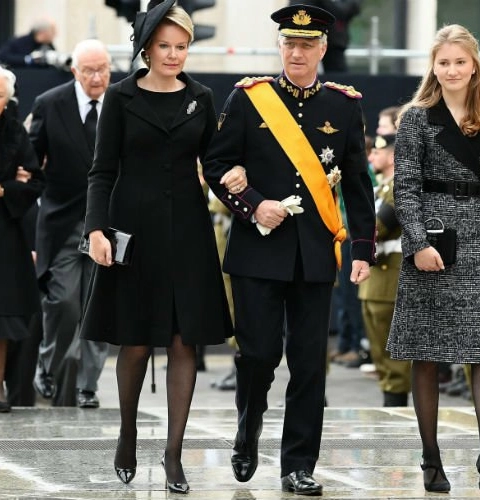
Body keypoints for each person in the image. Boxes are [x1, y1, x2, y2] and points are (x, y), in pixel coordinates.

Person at [202, 4, 375, 495]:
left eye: (307, 45)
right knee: (258, 355)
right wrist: (254, 205)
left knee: (308, 364)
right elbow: (217, 164)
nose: (297, 52)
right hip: (258, 251)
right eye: (289, 44)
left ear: (323, 48)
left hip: (316, 253)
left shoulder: (343, 105)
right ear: (280, 47)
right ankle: (248, 426)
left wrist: (362, 246)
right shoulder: (250, 97)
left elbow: (358, 182)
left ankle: (298, 463)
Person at [81, 0, 232, 492]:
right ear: (146, 48)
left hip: (188, 230)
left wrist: (243, 188)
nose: (173, 55)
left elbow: (216, 162)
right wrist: (96, 230)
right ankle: (127, 432)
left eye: (182, 47)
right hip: (135, 229)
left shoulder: (203, 97)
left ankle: (173, 455)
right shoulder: (122, 98)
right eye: (164, 46)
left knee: (184, 339)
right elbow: (102, 172)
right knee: (137, 338)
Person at [386, 24, 480, 493]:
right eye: (444, 62)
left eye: (460, 61)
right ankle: (431, 461)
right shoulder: (416, 118)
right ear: (433, 66)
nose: (452, 69)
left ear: (474, 64)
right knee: (427, 353)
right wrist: (418, 244)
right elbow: (404, 188)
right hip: (436, 240)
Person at [28, 39, 112, 408]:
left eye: (104, 69)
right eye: (90, 70)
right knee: (63, 303)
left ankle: (88, 386)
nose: (97, 78)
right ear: (75, 71)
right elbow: (31, 162)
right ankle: (48, 365)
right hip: (62, 221)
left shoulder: (124, 103)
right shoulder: (50, 103)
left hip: (108, 223)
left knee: (98, 306)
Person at [0, 67, 46, 413]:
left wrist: (5, 188)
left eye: (1, 95)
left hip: (6, 231)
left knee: (6, 316)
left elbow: (33, 180)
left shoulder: (15, 130)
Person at [357, 133, 411, 406]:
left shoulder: (399, 187)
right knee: (381, 354)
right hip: (375, 279)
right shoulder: (380, 187)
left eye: (376, 153)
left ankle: (396, 406)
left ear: (391, 157)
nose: (371, 158)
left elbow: (379, 227)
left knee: (393, 357)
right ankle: (391, 400)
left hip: (390, 278)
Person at [289, 0, 362, 72]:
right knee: (299, 71)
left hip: (333, 41)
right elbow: (296, 10)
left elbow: (345, 10)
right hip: (303, 34)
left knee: (336, 76)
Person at [0, 16, 65, 69]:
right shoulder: (19, 42)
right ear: (43, 32)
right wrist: (28, 59)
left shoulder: (48, 45)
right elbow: (3, 56)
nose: (56, 34)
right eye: (52, 31)